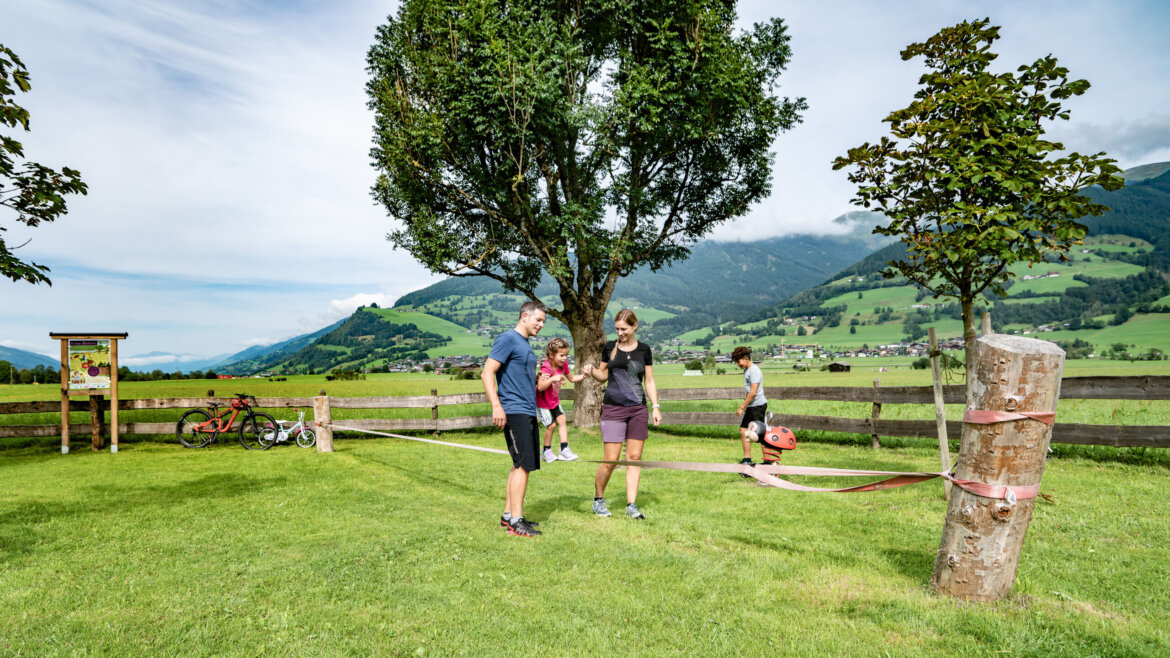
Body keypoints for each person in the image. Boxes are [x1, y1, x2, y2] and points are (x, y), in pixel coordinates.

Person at [582, 309, 660, 520]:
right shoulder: (610, 347)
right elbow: (603, 375)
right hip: (613, 409)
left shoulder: (644, 350)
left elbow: (649, 381)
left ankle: (631, 505)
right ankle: (598, 499)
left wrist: (655, 406)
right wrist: (592, 371)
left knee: (634, 459)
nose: (620, 333)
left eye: (624, 329)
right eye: (617, 329)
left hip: (638, 409)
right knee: (611, 460)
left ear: (635, 326)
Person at [481, 301, 547, 538]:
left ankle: (508, 516)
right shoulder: (508, 339)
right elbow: (487, 372)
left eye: (543, 322)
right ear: (525, 316)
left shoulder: (524, 344)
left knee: (519, 463)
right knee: (523, 465)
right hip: (514, 410)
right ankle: (517, 522)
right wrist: (496, 406)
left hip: (527, 410)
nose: (541, 325)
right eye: (538, 320)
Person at [537, 337, 586, 462]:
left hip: (554, 402)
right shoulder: (545, 368)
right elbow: (540, 387)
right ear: (551, 355)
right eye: (562, 355)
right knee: (551, 426)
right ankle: (546, 451)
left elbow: (572, 378)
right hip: (543, 403)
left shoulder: (562, 365)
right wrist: (553, 379)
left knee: (562, 420)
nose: (565, 358)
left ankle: (564, 449)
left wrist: (584, 376)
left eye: (566, 355)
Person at [732, 345, 770, 465]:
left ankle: (767, 461)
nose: (737, 364)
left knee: (760, 433)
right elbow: (749, 392)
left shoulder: (754, 371)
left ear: (746, 358)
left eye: (738, 361)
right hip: (753, 406)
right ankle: (747, 459)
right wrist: (747, 405)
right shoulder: (747, 370)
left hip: (758, 406)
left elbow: (753, 392)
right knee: (744, 430)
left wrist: (741, 407)